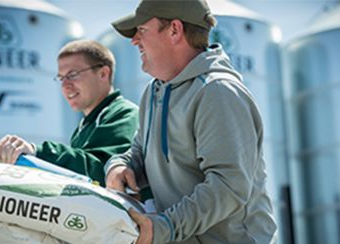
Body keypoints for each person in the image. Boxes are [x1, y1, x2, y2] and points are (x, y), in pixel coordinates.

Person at [104, 0, 278, 243]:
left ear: (175, 30)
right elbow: (140, 151)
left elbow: (228, 186)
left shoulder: (217, 92)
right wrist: (120, 166)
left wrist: (165, 227)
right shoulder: (154, 91)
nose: (134, 40)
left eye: (142, 31)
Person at [0, 39, 138, 186]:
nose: (65, 86)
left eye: (73, 75)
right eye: (61, 78)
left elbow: (104, 172)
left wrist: (38, 152)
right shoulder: (84, 127)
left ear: (103, 73)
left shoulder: (124, 114)